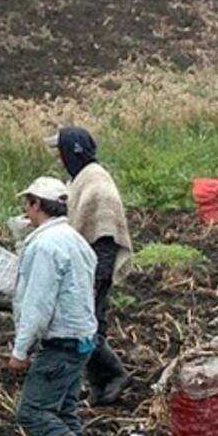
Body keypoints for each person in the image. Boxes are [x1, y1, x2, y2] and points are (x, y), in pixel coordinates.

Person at [10, 177, 100, 436]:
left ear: (37, 204)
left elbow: (38, 303)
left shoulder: (46, 246)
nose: (25, 211)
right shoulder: (75, 240)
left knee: (32, 412)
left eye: (28, 204)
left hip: (60, 341)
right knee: (63, 409)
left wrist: (20, 351)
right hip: (82, 338)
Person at [49, 126, 133, 405]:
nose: (59, 159)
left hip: (96, 266)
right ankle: (100, 386)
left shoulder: (97, 187)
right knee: (92, 324)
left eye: (60, 153)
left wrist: (97, 277)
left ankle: (117, 374)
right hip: (89, 264)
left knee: (85, 328)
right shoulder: (82, 179)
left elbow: (105, 234)